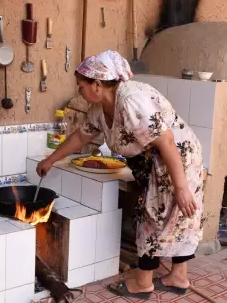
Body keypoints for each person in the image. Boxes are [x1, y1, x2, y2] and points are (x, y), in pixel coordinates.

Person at [36, 50, 204, 299]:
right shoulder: (100, 109)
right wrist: (51, 160)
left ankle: (143, 283)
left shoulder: (130, 100)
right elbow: (81, 137)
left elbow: (167, 142)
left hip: (175, 159)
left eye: (81, 85)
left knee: (156, 216)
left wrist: (181, 187)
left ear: (97, 84)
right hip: (154, 161)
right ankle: (178, 277)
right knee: (170, 216)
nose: (79, 90)